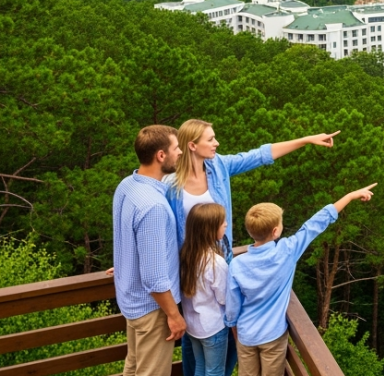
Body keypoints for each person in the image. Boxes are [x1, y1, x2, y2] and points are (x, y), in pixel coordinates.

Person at [167, 119, 341, 376]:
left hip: (219, 264)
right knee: (196, 345)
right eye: (210, 139)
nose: (217, 143)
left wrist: (306, 140)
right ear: (192, 145)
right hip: (189, 270)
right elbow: (159, 229)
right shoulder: (170, 185)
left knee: (220, 343)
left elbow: (260, 155)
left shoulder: (219, 167)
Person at [226, 184, 378, 376]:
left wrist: (234, 326)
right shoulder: (287, 251)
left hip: (246, 335)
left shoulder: (237, 264)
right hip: (272, 336)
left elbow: (232, 305)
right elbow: (315, 224)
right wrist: (349, 196)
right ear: (275, 231)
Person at [113, 125, 186, 376]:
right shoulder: (153, 206)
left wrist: (126, 263)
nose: (180, 153)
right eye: (176, 148)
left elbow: (126, 238)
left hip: (131, 301)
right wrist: (174, 315)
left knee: (133, 368)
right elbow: (154, 278)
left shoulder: (127, 185)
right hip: (152, 309)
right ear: (161, 155)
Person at [179, 203, 231, 376]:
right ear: (210, 229)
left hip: (193, 326)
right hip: (213, 328)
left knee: (200, 367)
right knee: (215, 371)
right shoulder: (216, 263)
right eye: (222, 222)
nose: (226, 224)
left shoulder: (185, 255)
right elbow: (224, 299)